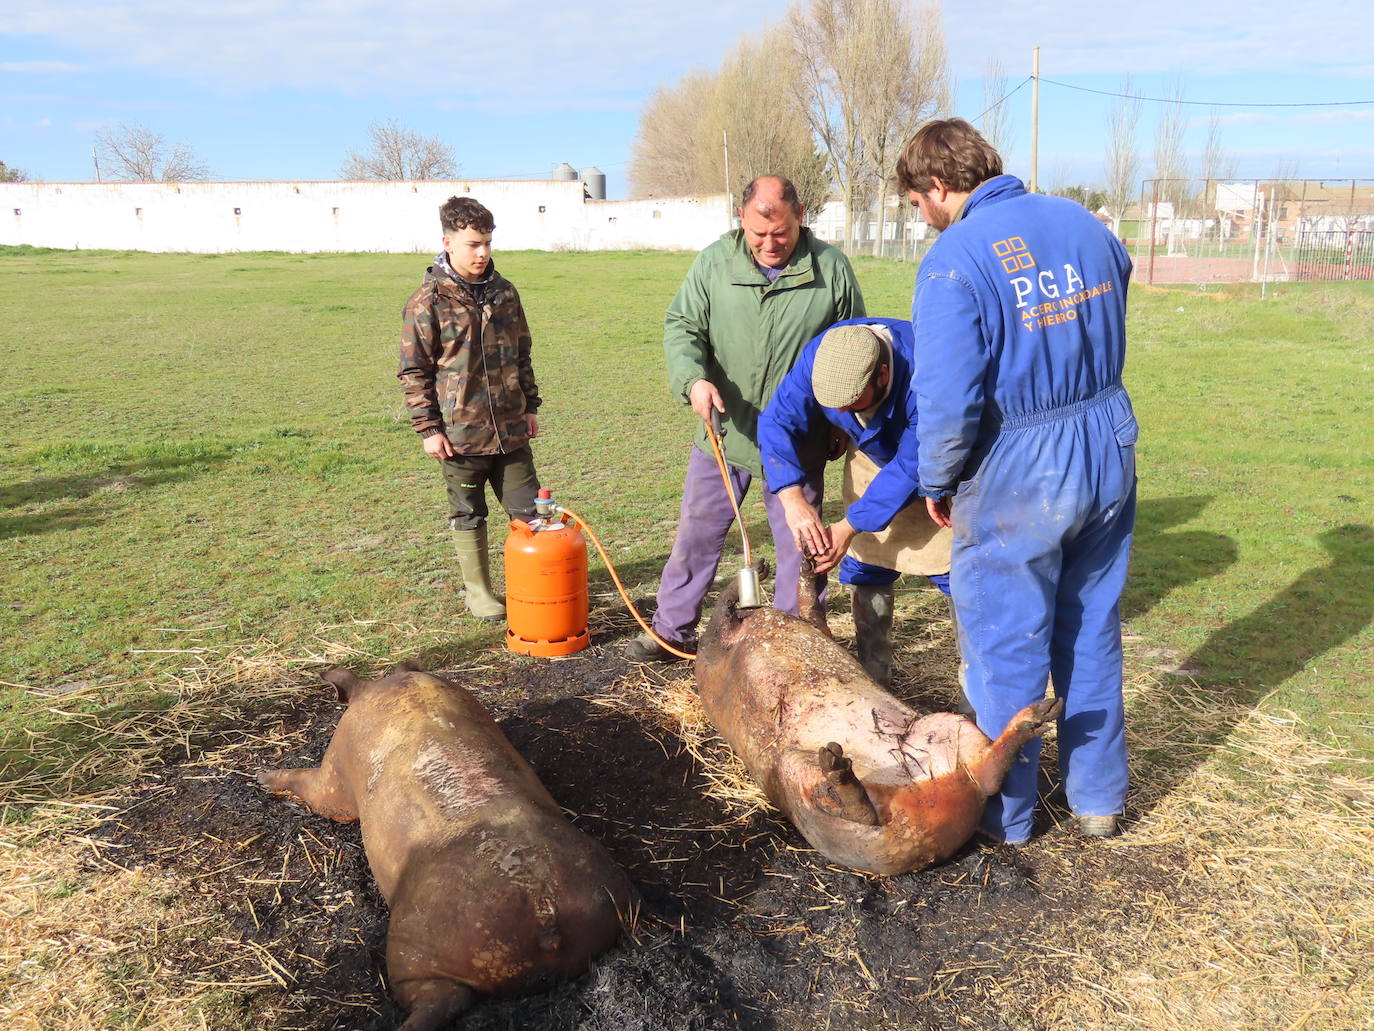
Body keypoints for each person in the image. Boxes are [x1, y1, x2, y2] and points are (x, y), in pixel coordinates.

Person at [897, 118, 1138, 843]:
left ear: (938, 185)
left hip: (1018, 464)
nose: (922, 217)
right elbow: (1120, 281)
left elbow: (947, 401)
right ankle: (1099, 801)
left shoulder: (953, 261)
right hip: (1107, 440)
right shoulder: (1081, 222)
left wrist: (938, 480)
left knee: (1007, 641)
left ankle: (1008, 818)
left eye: (918, 202)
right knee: (1091, 624)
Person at [624, 175, 866, 662]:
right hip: (724, 429)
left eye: (780, 232)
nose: (769, 244)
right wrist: (692, 380)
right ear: (742, 220)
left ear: (800, 217)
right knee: (696, 533)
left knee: (802, 546)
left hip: (800, 438)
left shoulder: (831, 269)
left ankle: (792, 648)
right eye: (759, 234)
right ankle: (672, 629)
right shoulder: (715, 263)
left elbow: (852, 346)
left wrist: (841, 421)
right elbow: (682, 325)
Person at [759, 318, 954, 687]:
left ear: (883, 374)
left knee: (956, 573)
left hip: (935, 465)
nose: (843, 412)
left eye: (851, 402)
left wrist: (849, 525)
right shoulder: (822, 356)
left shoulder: (929, 369)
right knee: (867, 567)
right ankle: (873, 679)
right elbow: (775, 422)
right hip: (870, 456)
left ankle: (973, 700)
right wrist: (791, 496)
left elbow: (913, 464)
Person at [398, 195, 542, 621]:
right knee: (468, 513)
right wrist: (428, 429)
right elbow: (413, 370)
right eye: (472, 244)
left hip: (512, 429)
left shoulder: (505, 293)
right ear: (448, 242)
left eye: (487, 243)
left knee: (531, 511)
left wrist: (530, 405)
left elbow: (522, 352)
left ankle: (534, 585)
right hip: (459, 434)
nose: (482, 253)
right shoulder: (427, 301)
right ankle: (479, 593)